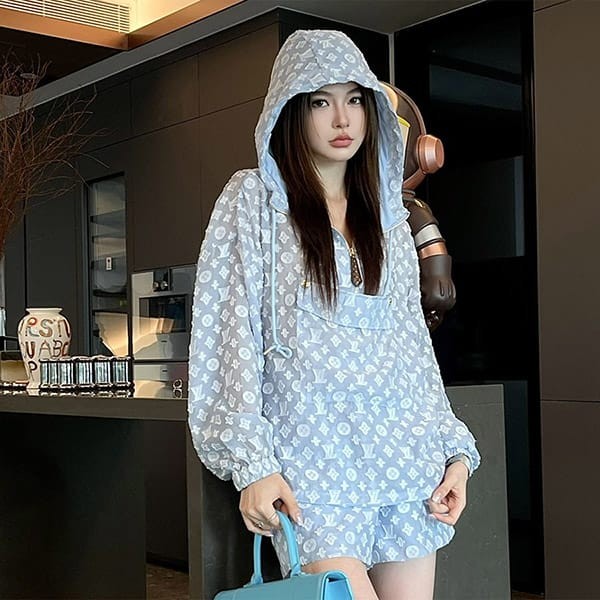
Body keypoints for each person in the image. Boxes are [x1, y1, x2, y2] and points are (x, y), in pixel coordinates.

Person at [188, 29, 480, 600]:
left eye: (355, 99)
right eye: (321, 101)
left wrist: (454, 453)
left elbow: (412, 350)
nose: (342, 118)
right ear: (291, 111)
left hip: (405, 463)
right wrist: (252, 463)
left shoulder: (389, 219)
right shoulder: (253, 202)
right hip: (312, 473)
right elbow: (228, 336)